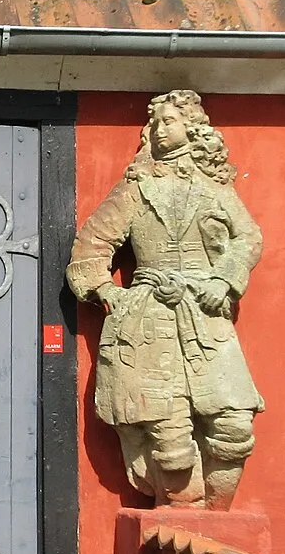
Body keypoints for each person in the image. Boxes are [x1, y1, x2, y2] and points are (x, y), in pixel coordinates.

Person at [67, 90, 263, 509]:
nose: (158, 129)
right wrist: (107, 292)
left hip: (205, 313)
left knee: (234, 424)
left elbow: (247, 237)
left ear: (191, 129)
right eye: (154, 123)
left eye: (168, 121)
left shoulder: (214, 188)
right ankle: (181, 515)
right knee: (167, 434)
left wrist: (225, 282)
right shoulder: (136, 189)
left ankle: (218, 517)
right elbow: (92, 244)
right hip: (148, 319)